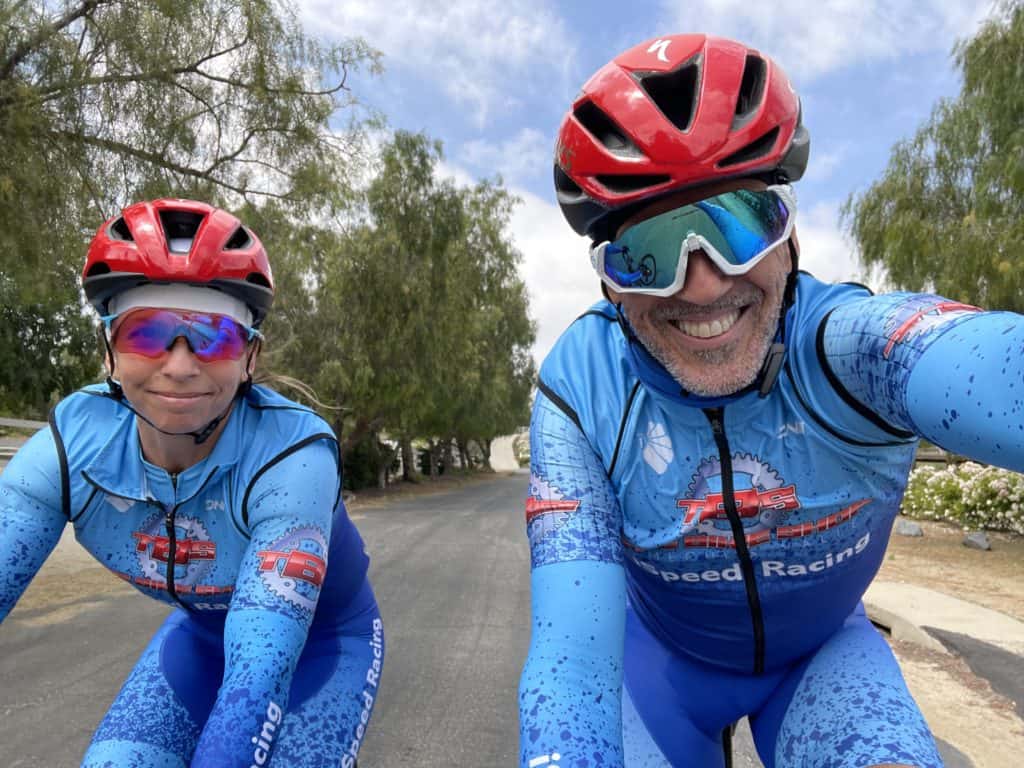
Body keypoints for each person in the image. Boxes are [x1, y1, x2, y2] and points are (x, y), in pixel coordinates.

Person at [519, 33, 1024, 768]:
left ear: (790, 234)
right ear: (609, 282)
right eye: (650, 253)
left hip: (823, 663)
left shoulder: (850, 350)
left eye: (738, 222)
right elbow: (570, 662)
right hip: (658, 671)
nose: (701, 285)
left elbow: (983, 364)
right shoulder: (583, 387)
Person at [0, 199, 383, 767]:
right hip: (200, 644)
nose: (179, 366)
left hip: (322, 649)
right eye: (147, 333)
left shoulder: (292, 454)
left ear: (249, 356)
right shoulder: (69, 446)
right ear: (108, 349)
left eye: (214, 337)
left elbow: (256, 683)